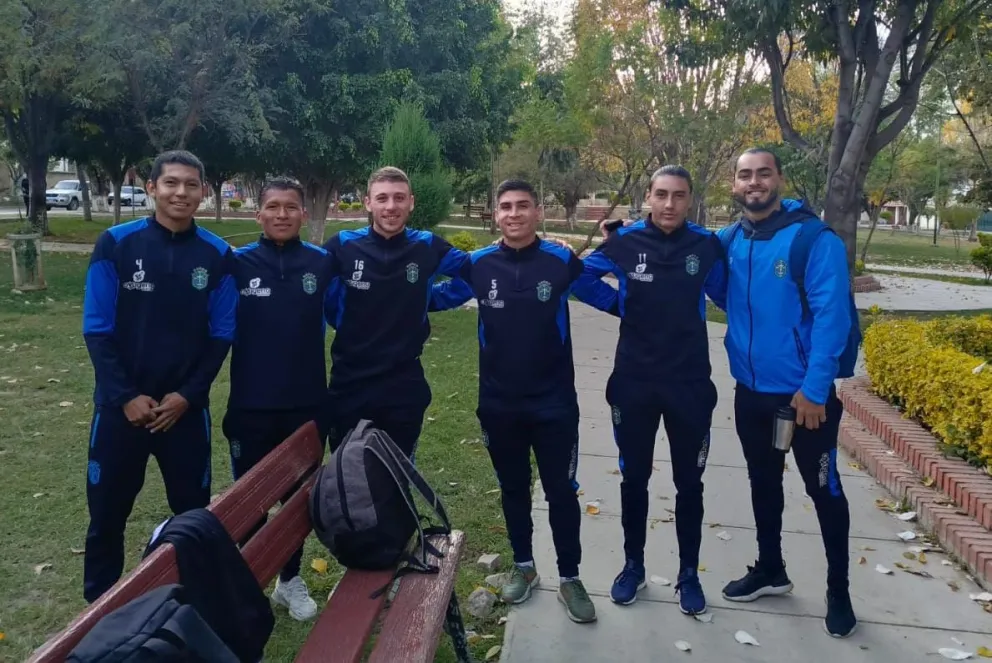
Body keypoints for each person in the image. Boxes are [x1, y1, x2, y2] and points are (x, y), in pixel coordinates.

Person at [429, 179, 619, 624]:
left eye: (523, 206)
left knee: (561, 491)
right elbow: (439, 297)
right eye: (506, 207)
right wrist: (390, 296)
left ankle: (570, 577)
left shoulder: (560, 261)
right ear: (496, 214)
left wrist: (650, 303)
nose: (514, 214)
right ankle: (525, 566)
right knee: (513, 488)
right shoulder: (479, 265)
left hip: (554, 404)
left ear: (538, 212)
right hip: (499, 404)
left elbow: (604, 293)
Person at [81, 150, 237, 603]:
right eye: (171, 183)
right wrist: (125, 395)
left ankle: (191, 605)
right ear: (151, 188)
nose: (180, 192)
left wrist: (188, 395)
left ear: (203, 192)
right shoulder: (116, 244)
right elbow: (96, 328)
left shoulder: (218, 254)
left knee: (192, 517)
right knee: (106, 518)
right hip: (120, 411)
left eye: (191, 184)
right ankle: (99, 613)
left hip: (183, 413)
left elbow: (222, 334)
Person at [715, 148, 856, 638]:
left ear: (779, 179)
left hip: (804, 400)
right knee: (763, 483)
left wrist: (814, 390)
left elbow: (833, 318)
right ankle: (770, 569)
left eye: (763, 173)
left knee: (824, 491)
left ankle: (839, 590)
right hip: (750, 393)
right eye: (745, 175)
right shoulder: (732, 238)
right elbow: (704, 274)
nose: (754, 182)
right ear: (735, 185)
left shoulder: (813, 240)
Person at [576, 165, 725, 616]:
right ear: (648, 197)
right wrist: (620, 304)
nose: (669, 204)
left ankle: (688, 574)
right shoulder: (624, 242)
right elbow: (580, 277)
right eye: (661, 194)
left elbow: (727, 294)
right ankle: (633, 566)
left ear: (690, 199)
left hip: (689, 385)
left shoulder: (706, 245)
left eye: (678, 195)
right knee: (634, 478)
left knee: (689, 483)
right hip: (634, 384)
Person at [223, 176, 336, 621]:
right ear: (259, 214)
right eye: (273, 207)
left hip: (306, 406)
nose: (282, 214)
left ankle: (289, 581)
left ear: (303, 214)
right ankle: (252, 579)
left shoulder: (322, 263)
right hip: (250, 405)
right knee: (249, 500)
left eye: (291, 207)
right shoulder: (236, 263)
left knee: (296, 503)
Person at [320, 166, 471, 459]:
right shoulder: (343, 245)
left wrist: (428, 298)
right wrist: (340, 317)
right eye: (382, 198)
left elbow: (476, 272)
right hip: (350, 382)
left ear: (411, 202)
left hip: (404, 385)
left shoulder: (427, 245)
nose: (391, 206)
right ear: (368, 203)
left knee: (398, 474)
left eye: (399, 198)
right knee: (347, 472)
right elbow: (314, 284)